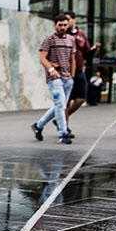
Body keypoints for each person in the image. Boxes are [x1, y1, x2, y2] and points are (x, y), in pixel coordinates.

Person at [30, 13, 77, 145]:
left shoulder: (71, 40)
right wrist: (52, 70)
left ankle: (38, 126)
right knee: (60, 105)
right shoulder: (49, 39)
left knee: (59, 106)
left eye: (65, 25)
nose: (63, 27)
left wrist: (72, 75)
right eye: (60, 25)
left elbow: (72, 58)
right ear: (55, 25)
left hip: (68, 78)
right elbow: (42, 59)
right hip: (54, 78)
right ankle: (63, 133)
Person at [63, 10, 101, 136]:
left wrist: (94, 50)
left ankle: (61, 120)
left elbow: (86, 53)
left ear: (74, 20)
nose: (66, 23)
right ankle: (65, 126)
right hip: (66, 72)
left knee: (80, 99)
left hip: (79, 70)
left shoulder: (81, 35)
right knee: (66, 101)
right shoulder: (62, 35)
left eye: (68, 20)